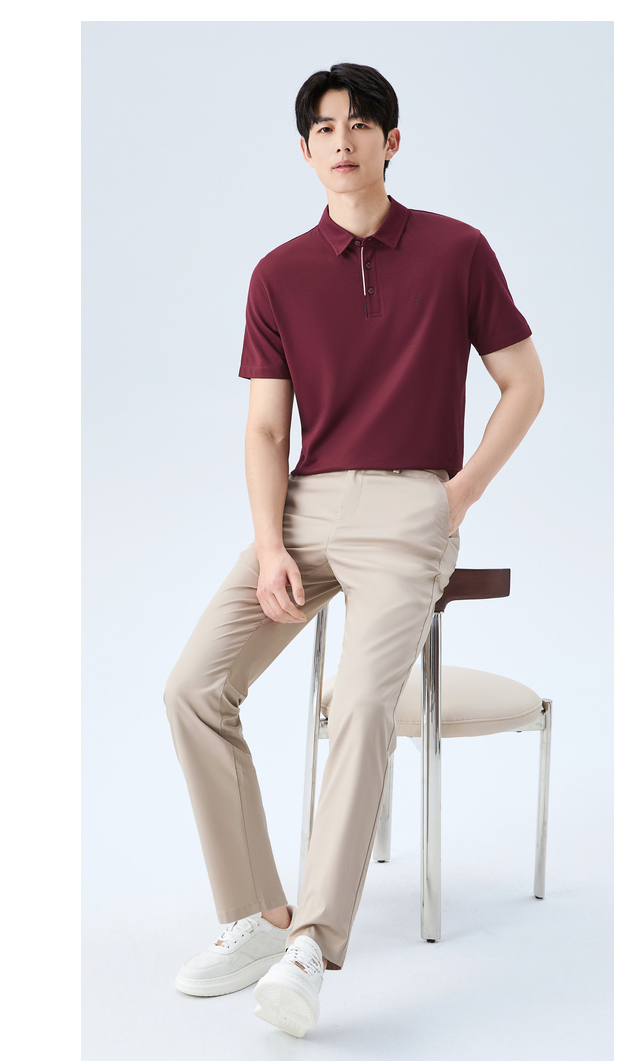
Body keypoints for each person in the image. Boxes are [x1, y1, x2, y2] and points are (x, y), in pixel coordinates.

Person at [164, 61, 545, 1038]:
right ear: (305, 151)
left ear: (391, 141)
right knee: (194, 688)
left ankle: (310, 946)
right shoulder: (278, 273)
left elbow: (524, 383)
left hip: (412, 504)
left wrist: (459, 492)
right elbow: (265, 429)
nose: (343, 140)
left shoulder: (457, 251)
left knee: (365, 704)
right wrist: (269, 543)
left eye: (361, 124)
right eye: (325, 128)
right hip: (303, 506)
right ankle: (257, 917)